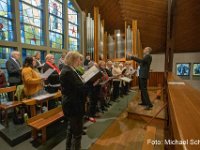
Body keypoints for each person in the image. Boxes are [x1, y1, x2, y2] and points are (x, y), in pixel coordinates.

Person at [60, 51, 86, 150]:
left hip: (74, 103)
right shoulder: (67, 71)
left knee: (71, 128)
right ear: (73, 59)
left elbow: (78, 85)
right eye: (79, 60)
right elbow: (79, 88)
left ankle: (69, 148)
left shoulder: (71, 69)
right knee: (77, 132)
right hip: (73, 104)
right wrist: (89, 84)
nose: (80, 62)